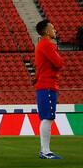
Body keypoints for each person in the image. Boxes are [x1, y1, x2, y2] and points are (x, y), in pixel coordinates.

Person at [34, 19, 63, 159]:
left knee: (46, 117)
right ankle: (45, 151)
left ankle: (44, 150)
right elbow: (58, 63)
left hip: (44, 84)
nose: (55, 30)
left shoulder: (41, 45)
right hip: (48, 84)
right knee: (48, 117)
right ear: (46, 31)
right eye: (52, 28)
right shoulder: (47, 45)